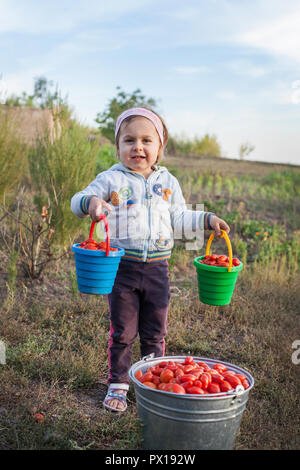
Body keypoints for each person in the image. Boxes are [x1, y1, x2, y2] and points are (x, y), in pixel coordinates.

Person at [71, 107, 230, 412]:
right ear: (118, 146)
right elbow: (76, 201)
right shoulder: (111, 178)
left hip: (158, 269)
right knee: (123, 330)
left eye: (147, 140)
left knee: (155, 330)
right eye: (129, 140)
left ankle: (151, 381)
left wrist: (207, 219)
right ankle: (118, 383)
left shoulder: (168, 181)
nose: (138, 147)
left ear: (160, 148)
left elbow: (180, 217)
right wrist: (91, 202)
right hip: (121, 269)